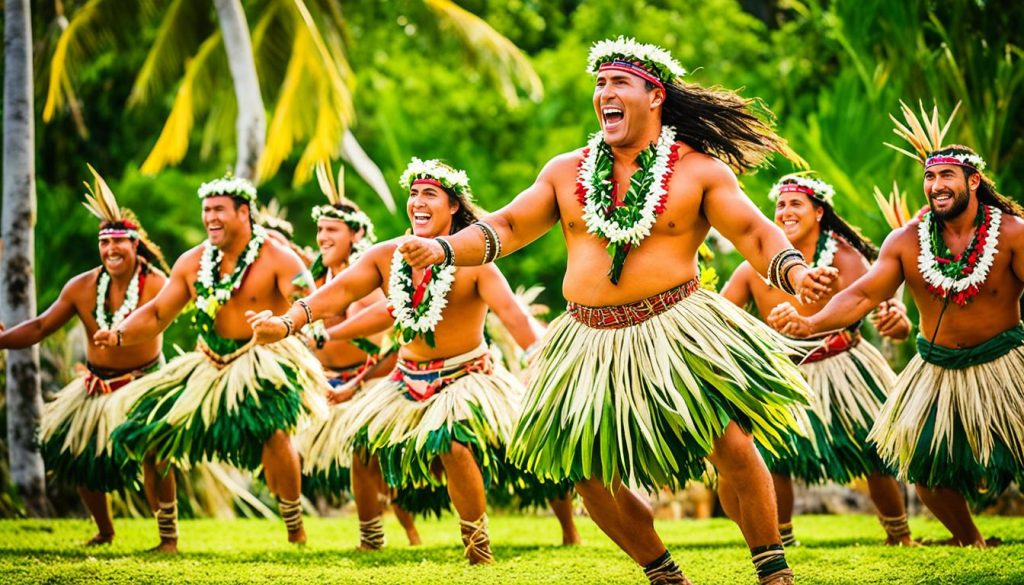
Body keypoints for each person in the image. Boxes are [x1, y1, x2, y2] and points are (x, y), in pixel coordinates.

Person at [395, 37, 837, 585]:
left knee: (730, 442)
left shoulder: (699, 170)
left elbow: (753, 231)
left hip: (677, 327)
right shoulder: (565, 172)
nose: (604, 92)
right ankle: (664, 575)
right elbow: (506, 227)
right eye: (599, 83)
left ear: (654, 96)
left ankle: (773, 572)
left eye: (618, 82)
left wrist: (797, 273)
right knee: (584, 470)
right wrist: (443, 249)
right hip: (589, 337)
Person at [249, 158, 578, 563]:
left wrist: (543, 364)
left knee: (454, 442)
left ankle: (478, 548)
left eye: (430, 194)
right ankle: (370, 540)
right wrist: (286, 323)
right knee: (363, 443)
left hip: (465, 376)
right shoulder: (388, 256)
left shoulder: (475, 263)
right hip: (407, 379)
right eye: (413, 193)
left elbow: (515, 317)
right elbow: (336, 294)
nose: (418, 202)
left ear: (453, 205)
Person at [770, 102, 1024, 547]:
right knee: (922, 464)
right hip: (938, 369)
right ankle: (970, 540)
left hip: (1004, 360)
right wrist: (808, 325)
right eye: (930, 177)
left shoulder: (1013, 233)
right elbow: (864, 294)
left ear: (974, 181)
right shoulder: (906, 241)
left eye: (947, 176)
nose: (936, 185)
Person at [95, 173, 328, 550]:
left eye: (219, 209)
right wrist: (119, 334)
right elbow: (157, 314)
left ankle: (295, 528)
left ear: (243, 213)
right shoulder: (193, 262)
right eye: (206, 210)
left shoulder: (277, 257)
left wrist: (302, 329)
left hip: (264, 358)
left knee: (273, 430)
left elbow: (309, 302)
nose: (210, 218)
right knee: (150, 432)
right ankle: (167, 538)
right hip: (207, 360)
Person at [722, 173, 915, 546]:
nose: (785, 211)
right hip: (785, 373)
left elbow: (883, 307)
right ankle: (782, 539)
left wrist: (897, 322)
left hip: (846, 366)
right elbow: (722, 318)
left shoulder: (846, 258)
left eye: (795, 203)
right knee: (775, 456)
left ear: (819, 212)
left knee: (871, 450)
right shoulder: (754, 266)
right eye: (780, 205)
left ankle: (899, 535)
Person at [0, 166, 172, 546]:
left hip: (145, 382)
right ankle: (105, 531)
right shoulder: (82, 287)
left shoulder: (157, 284)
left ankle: (168, 537)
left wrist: (123, 335)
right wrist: (3, 340)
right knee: (76, 452)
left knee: (156, 454)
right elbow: (42, 326)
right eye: (104, 243)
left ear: (135, 244)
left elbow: (158, 321)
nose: (111, 250)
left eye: (119, 243)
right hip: (96, 384)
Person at [294, 162, 419, 547]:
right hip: (329, 387)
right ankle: (366, 536)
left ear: (357, 234)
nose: (323, 237)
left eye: (332, 230)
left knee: (372, 456)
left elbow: (397, 335)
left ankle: (404, 532)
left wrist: (356, 385)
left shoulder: (367, 280)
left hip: (370, 386)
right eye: (320, 230)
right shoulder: (318, 279)